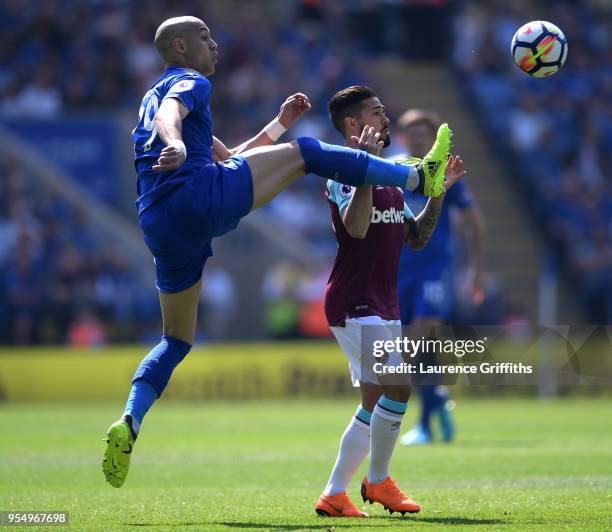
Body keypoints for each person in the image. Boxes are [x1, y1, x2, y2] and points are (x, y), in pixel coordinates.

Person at [102, 17, 453, 488]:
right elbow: (172, 115)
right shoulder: (187, 83)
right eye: (204, 37)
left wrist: (277, 124)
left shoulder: (147, 101)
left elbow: (236, 159)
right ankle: (416, 178)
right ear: (180, 47)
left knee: (176, 338)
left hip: (161, 222)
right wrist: (176, 145)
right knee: (306, 152)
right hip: (197, 193)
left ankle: (130, 421)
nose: (214, 43)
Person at [314, 86, 466, 518]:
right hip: (354, 302)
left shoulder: (390, 175)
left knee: (373, 400)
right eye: (376, 113)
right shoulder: (344, 173)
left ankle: (334, 493)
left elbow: (416, 238)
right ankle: (378, 481)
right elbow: (356, 228)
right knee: (399, 387)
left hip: (382, 303)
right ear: (352, 125)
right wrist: (365, 171)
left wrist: (438, 190)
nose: (385, 118)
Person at [394, 110, 486, 446]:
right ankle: (436, 403)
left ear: (434, 139)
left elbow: (475, 221)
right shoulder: (396, 169)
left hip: (434, 269)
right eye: (412, 133)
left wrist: (476, 269)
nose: (417, 139)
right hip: (397, 271)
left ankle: (424, 423)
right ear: (403, 138)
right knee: (410, 352)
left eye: (424, 134)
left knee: (420, 340)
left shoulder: (445, 171)